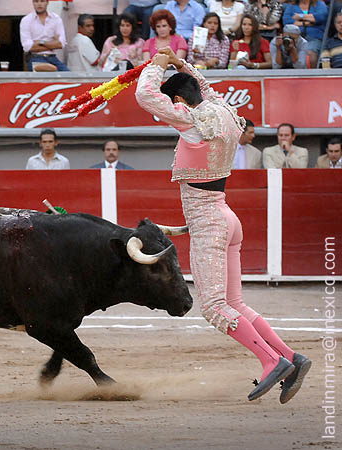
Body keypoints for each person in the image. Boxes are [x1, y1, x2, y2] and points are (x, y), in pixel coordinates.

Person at [134, 47, 311, 403]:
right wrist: (181, 64)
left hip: (209, 223)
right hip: (227, 216)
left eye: (176, 103)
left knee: (215, 307)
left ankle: (271, 360)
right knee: (235, 303)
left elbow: (144, 95)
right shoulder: (224, 111)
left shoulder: (192, 121)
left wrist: (156, 65)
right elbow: (205, 87)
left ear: (181, 100)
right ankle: (291, 357)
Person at [19, 0, 68, 71]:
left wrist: (40, 42)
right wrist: (53, 44)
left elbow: (61, 44)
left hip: (53, 58)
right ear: (33, 3)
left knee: (69, 77)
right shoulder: (26, 20)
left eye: (42, 1)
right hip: (35, 57)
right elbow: (27, 47)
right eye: (36, 1)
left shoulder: (56, 19)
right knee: (46, 78)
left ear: (47, 2)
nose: (39, 4)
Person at [283, 0, 328, 68]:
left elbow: (321, 16)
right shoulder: (292, 6)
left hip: (314, 37)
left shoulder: (319, 4)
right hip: (296, 39)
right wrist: (307, 22)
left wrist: (300, 16)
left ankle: (312, 76)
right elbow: (287, 21)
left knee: (310, 53)